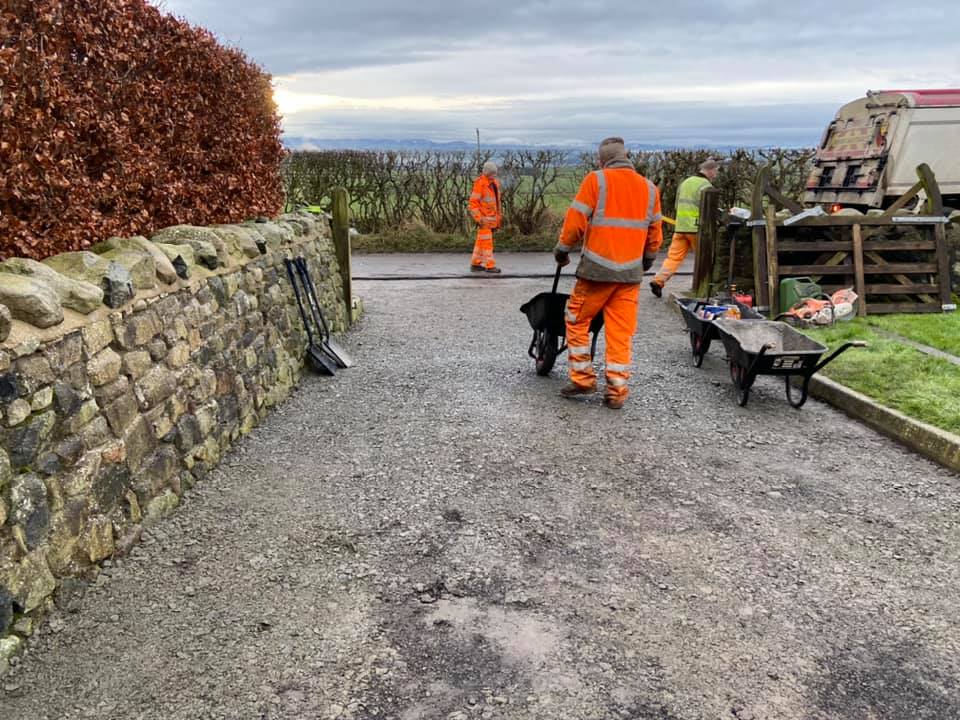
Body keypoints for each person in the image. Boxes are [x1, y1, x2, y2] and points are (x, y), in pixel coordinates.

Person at [554, 137, 663, 410]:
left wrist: (562, 250)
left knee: (576, 320)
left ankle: (582, 378)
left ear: (602, 161)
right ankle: (616, 391)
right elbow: (655, 235)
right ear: (627, 158)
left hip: (596, 273)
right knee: (620, 333)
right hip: (629, 276)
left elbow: (576, 220)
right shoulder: (650, 189)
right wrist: (646, 262)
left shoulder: (596, 180)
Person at [649, 157, 721, 298]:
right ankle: (703, 288)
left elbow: (676, 205)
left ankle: (658, 281)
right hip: (697, 228)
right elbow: (709, 210)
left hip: (680, 227)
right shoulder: (705, 186)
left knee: (673, 258)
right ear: (710, 170)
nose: (716, 174)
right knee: (704, 259)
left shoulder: (685, 183)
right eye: (716, 171)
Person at [468, 161, 503, 274]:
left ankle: (475, 264)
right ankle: (490, 265)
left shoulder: (494, 184)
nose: (495, 175)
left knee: (480, 243)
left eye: (495, 173)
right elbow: (473, 204)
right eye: (493, 173)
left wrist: (497, 220)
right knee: (487, 245)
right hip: (484, 221)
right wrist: (480, 219)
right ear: (487, 173)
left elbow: (496, 204)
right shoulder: (480, 184)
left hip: (490, 220)